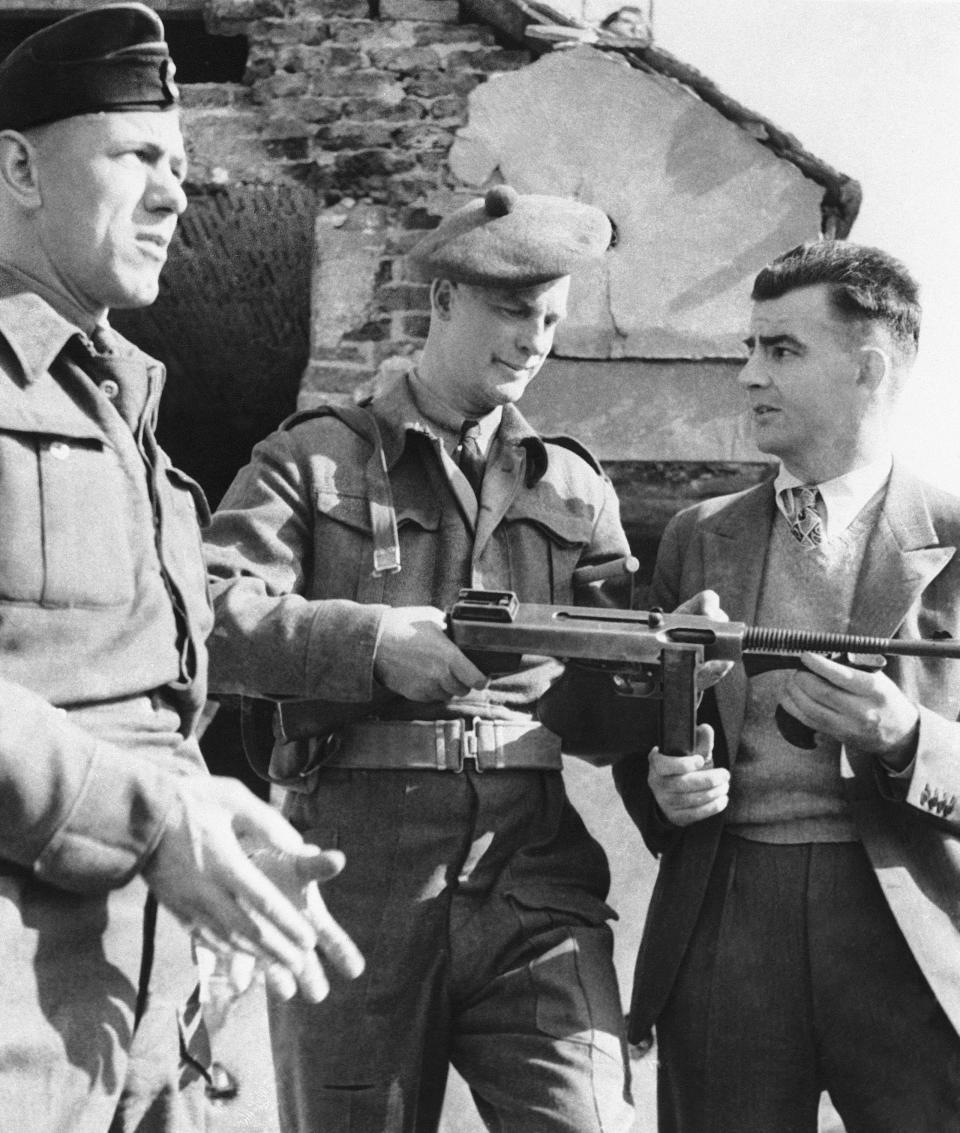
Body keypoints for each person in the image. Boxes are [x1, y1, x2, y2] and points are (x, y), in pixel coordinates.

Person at [204, 185, 637, 1132]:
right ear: (442, 303)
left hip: (532, 874)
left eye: (553, 320)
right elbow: (204, 614)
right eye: (515, 311)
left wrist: (677, 677)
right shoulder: (312, 462)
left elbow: (610, 706)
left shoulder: (573, 486)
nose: (535, 340)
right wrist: (368, 641)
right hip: (357, 875)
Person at [0, 6, 362, 1132]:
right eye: (136, 157)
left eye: (182, 166)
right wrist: (155, 819)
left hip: (165, 1000)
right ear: (17, 164)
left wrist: (206, 810)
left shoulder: (122, 401)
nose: (173, 196)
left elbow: (121, 684)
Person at [613, 240, 960, 1132]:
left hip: (910, 924)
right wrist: (664, 785)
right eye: (750, 347)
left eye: (781, 349)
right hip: (727, 920)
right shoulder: (696, 537)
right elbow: (644, 734)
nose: (746, 375)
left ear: (868, 368)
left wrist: (908, 738)